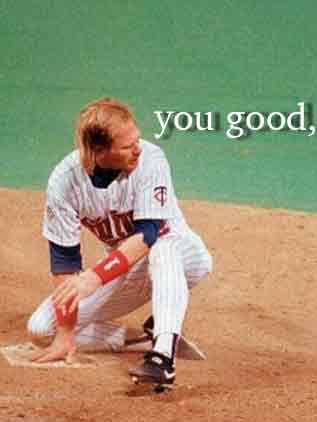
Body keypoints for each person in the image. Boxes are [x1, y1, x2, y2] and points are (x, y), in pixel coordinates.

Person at [27, 97, 213, 388]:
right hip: (127, 268)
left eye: (136, 139)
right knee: (42, 330)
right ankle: (139, 338)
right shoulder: (64, 182)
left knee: (163, 247)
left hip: (183, 256)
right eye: (127, 146)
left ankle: (162, 356)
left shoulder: (151, 159)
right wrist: (65, 334)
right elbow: (64, 259)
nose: (137, 148)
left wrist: (94, 277)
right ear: (98, 151)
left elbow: (148, 234)